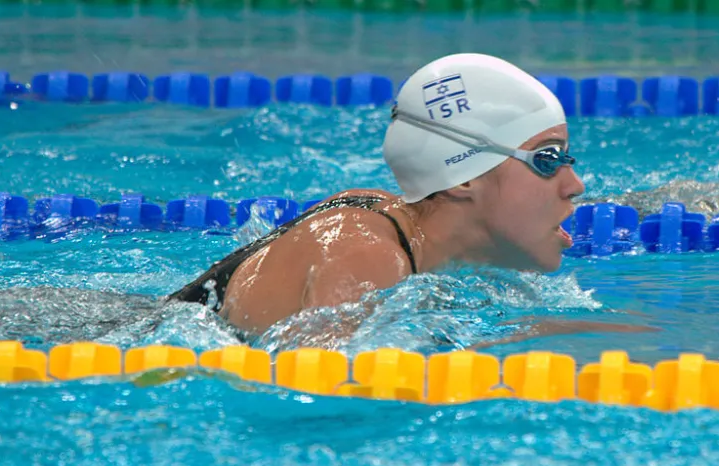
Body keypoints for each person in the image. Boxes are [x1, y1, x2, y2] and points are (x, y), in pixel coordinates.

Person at [169, 53, 655, 340]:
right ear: (464, 177)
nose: (575, 185)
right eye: (547, 159)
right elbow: (322, 400)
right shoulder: (365, 253)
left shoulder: (389, 225)